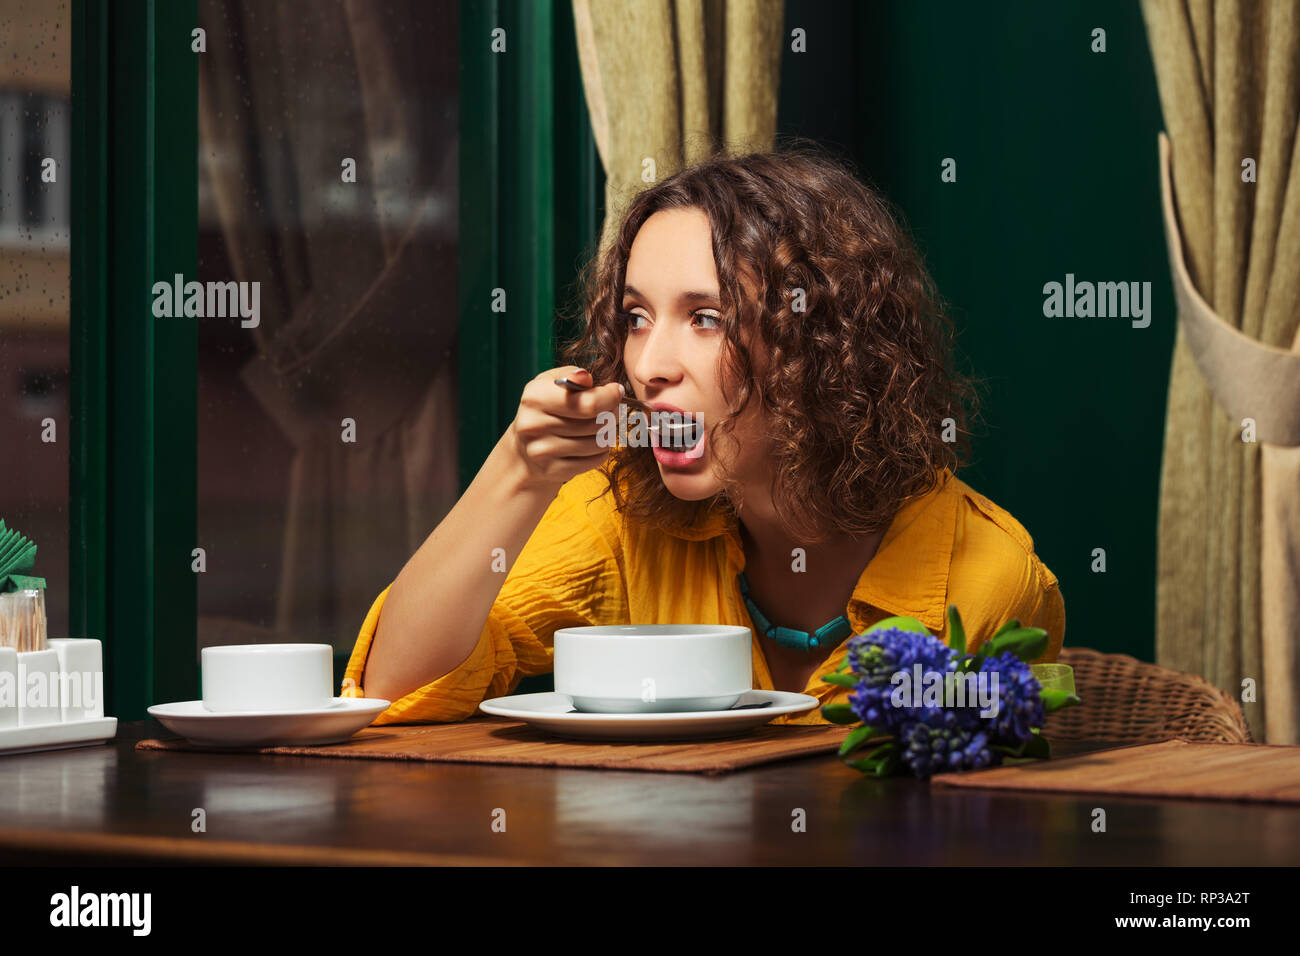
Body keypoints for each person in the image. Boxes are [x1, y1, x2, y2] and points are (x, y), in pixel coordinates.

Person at [344, 145, 1065, 726]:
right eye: (635, 317)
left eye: (706, 318)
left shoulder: (985, 577)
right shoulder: (620, 510)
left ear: (820, 345)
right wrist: (518, 471)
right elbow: (392, 686)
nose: (648, 367)